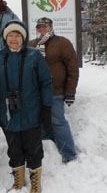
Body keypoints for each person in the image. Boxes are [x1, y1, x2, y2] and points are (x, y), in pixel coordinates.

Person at [0, 20, 52, 193]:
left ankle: (35, 184)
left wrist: (46, 107)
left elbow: (46, 82)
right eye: (10, 35)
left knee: (33, 149)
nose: (13, 39)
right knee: (14, 149)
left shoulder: (34, 56)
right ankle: (18, 181)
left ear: (22, 38)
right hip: (9, 114)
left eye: (17, 35)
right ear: (6, 38)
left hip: (31, 111)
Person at [28, 17, 79, 163]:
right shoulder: (32, 44)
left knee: (58, 122)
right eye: (39, 27)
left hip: (55, 92)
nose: (42, 29)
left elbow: (72, 68)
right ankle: (48, 153)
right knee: (40, 122)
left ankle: (69, 155)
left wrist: (70, 92)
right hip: (36, 93)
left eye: (45, 27)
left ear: (51, 27)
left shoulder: (62, 43)